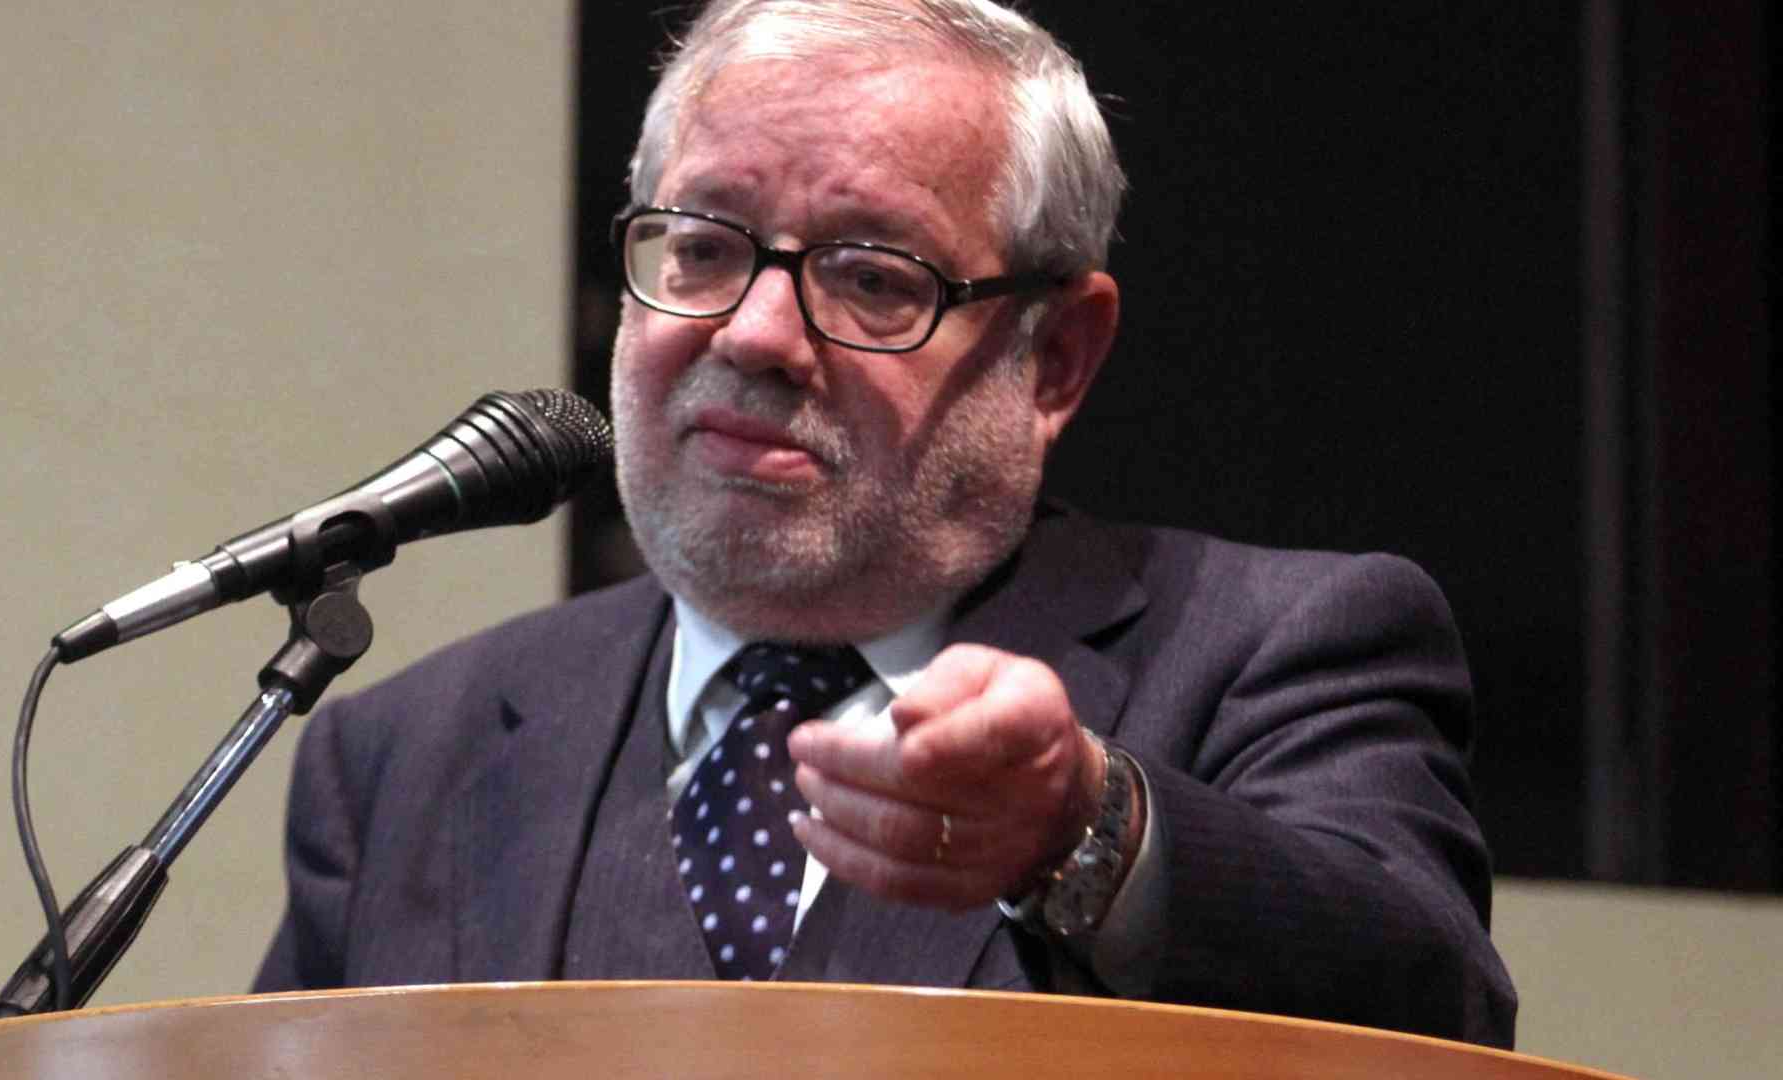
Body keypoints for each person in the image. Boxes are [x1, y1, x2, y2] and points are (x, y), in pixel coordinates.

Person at [253, 0, 1517, 1047]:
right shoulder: (405, 755)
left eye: (872, 277)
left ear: (1056, 358)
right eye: (702, 249)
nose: (754, 333)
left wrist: (1082, 830)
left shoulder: (1273, 648)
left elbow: (1437, 1018)